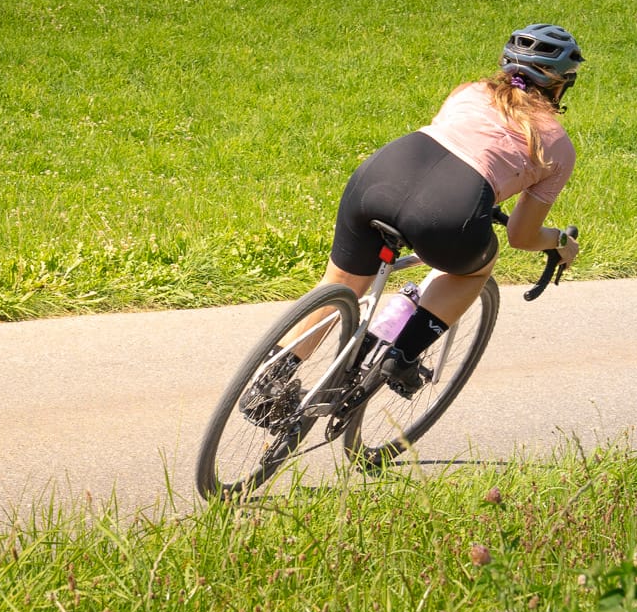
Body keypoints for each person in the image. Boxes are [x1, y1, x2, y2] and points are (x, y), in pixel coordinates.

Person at [249, 24, 583, 416]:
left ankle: (269, 383)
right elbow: (521, 235)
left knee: (341, 283)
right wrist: (561, 242)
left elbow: (450, 153)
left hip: (378, 177)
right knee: (477, 268)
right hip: (448, 212)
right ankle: (402, 356)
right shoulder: (557, 144)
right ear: (560, 87)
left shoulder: (469, 92)